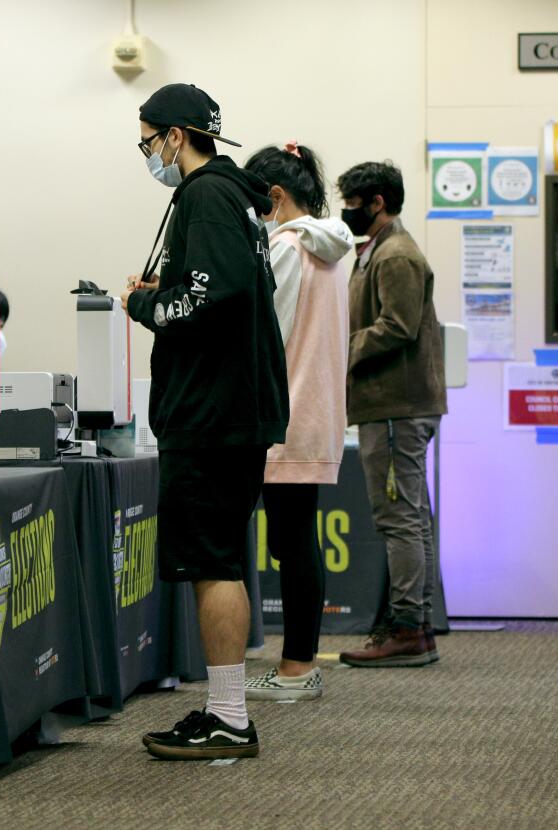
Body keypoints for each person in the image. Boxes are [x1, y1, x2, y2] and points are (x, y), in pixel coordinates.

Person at [121, 83, 289, 760]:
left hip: (213, 413)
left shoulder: (207, 195)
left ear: (176, 136)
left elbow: (207, 297)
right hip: (228, 409)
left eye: (147, 140)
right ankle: (223, 709)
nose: (148, 154)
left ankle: (228, 717)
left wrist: (143, 305)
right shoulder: (231, 200)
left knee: (214, 561)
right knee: (213, 559)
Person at [240, 142, 352, 700]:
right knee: (298, 538)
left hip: (284, 413)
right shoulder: (329, 251)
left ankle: (296, 667)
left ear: (276, 198)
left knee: (293, 541)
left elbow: (266, 333)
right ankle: (299, 663)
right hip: (318, 411)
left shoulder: (286, 247)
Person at [335, 160, 447, 668]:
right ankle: (414, 625)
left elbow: (397, 326)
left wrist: (340, 349)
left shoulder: (396, 255)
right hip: (392, 405)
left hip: (396, 407)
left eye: (354, 203)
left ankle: (406, 628)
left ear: (378, 202)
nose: (347, 211)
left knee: (398, 518)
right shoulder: (378, 250)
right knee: (411, 517)